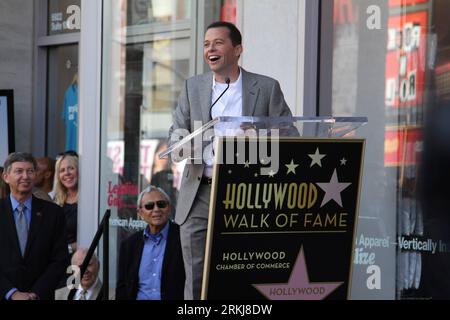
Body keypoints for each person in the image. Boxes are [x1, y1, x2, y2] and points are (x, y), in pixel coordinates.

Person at [168, 21, 293, 299]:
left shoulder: (267, 88)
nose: (210, 49)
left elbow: (291, 136)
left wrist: (260, 135)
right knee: (197, 280)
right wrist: (184, 145)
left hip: (246, 193)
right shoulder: (193, 87)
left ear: (238, 50)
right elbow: (175, 136)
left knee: (244, 274)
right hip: (199, 191)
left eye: (218, 43)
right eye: (206, 44)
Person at [0, 152, 68, 300]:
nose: (25, 176)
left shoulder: (53, 213)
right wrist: (12, 293)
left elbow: (60, 259)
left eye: (30, 171)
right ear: (6, 176)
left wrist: (35, 293)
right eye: (19, 171)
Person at [116, 186, 185, 300]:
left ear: (169, 208)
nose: (156, 209)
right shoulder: (129, 245)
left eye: (161, 204)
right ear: (140, 213)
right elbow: (122, 287)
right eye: (149, 206)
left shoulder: (183, 238)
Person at [53, 153, 79, 254]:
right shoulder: (56, 200)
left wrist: (69, 247)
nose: (67, 173)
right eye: (62, 170)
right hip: (58, 259)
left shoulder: (87, 200)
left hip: (79, 260)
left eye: (71, 168)